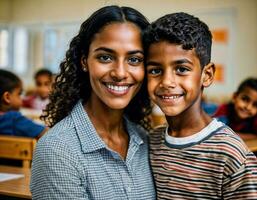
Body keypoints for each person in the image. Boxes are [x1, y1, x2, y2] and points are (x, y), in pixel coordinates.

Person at [30, 5, 156, 199]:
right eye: (105, 57)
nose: (120, 73)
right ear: (84, 61)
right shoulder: (58, 150)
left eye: (134, 59)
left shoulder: (144, 140)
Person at [144, 12, 257, 199]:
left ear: (207, 75)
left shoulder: (230, 152)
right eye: (155, 70)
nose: (167, 82)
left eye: (181, 69)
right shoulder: (151, 142)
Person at [0, 69, 47, 139]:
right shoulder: (13, 119)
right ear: (7, 97)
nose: (21, 98)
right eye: (19, 94)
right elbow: (47, 134)